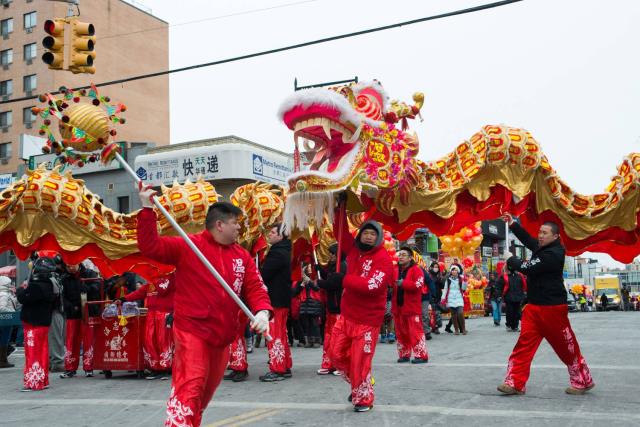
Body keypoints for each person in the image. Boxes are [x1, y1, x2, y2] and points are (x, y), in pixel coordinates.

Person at [137, 185, 272, 427]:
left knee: (203, 396)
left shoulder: (241, 256)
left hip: (222, 338)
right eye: (235, 222)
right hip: (192, 330)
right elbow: (151, 247)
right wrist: (147, 210)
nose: (239, 227)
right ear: (220, 225)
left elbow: (255, 287)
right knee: (191, 386)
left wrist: (262, 311)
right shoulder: (189, 246)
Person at [497, 213, 594, 396]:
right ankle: (514, 382)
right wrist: (513, 224)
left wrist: (510, 259)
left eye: (545, 233)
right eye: (540, 232)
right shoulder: (542, 248)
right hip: (533, 308)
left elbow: (527, 268)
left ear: (556, 236)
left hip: (553, 309)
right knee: (523, 346)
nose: (540, 236)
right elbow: (528, 240)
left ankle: (583, 380)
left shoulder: (554, 254)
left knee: (566, 347)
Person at [328, 219, 394, 413]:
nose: (368, 236)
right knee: (335, 354)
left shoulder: (383, 259)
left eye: (373, 234)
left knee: (360, 361)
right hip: (347, 315)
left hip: (367, 320)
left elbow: (372, 286)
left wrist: (344, 280)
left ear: (379, 238)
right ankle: (360, 383)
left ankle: (363, 397)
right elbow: (341, 233)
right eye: (365, 232)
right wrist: (339, 208)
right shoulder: (355, 250)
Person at [121, 273, 176, 380]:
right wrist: (123, 299)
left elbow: (163, 290)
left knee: (163, 341)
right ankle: (155, 368)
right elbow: (139, 293)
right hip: (151, 314)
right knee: (149, 340)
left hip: (164, 314)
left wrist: (156, 280)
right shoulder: (151, 282)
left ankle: (165, 368)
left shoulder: (172, 278)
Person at [16, 256, 57, 391]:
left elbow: (22, 297)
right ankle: (43, 379)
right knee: (42, 351)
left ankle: (34, 382)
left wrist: (21, 288)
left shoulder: (36, 286)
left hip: (33, 323)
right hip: (43, 322)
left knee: (33, 352)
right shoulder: (49, 284)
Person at [258, 223, 293, 382]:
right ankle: (284, 366)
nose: (269, 235)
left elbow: (264, 275)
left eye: (273, 232)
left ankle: (277, 369)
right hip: (281, 300)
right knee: (281, 334)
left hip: (275, 300)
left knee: (274, 334)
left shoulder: (277, 253)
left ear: (281, 235)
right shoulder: (283, 251)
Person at [59, 263, 100, 379]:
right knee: (71, 341)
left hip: (88, 312)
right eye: (67, 266)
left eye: (72, 265)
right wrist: (70, 306)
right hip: (72, 312)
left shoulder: (90, 274)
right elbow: (62, 296)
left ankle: (89, 367)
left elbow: (98, 287)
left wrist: (88, 288)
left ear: (78, 262)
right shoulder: (64, 278)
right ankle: (70, 368)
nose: (70, 267)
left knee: (88, 340)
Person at [393, 247, 429, 364]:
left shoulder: (417, 270)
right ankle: (404, 354)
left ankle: (421, 355)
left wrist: (403, 283)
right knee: (401, 333)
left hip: (412, 308)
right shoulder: (395, 269)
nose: (401, 257)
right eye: (400, 255)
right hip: (398, 308)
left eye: (404, 255)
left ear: (410, 258)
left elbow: (418, 285)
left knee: (415, 332)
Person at [315, 243, 345, 375]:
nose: (331, 256)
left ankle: (341, 365)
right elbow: (328, 275)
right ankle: (328, 364)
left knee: (338, 338)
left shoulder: (343, 266)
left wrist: (318, 283)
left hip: (340, 308)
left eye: (333, 253)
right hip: (331, 308)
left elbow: (332, 284)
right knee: (329, 337)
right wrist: (319, 269)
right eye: (330, 253)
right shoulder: (333, 266)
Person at [498, 259, 527, 332]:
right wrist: (499, 295)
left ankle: (515, 326)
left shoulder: (520, 276)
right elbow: (499, 286)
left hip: (518, 297)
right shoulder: (505, 277)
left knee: (517, 312)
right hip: (509, 297)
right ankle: (509, 324)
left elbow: (525, 285)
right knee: (510, 312)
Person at [441, 265, 467, 335]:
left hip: (459, 297)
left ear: (457, 271)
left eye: (455, 270)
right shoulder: (448, 279)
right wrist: (443, 298)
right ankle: (456, 329)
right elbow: (445, 289)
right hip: (450, 298)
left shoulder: (461, 279)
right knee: (453, 315)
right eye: (453, 270)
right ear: (451, 271)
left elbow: (464, 289)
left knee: (460, 313)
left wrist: (465, 282)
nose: (454, 271)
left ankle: (463, 328)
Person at [0, 275, 18, 368]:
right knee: (4, 340)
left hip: (6, 320)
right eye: (9, 283)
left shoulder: (6, 293)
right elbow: (1, 308)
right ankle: (2, 360)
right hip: (6, 320)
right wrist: (12, 313)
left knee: (5, 339)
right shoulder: (4, 294)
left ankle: (3, 360)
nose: (11, 285)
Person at [427, 262, 445, 334]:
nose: (436, 268)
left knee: (437, 312)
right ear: (431, 267)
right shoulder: (429, 275)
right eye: (435, 267)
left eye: (437, 267)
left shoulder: (439, 275)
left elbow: (443, 286)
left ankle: (436, 326)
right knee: (431, 313)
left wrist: (441, 280)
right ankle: (433, 327)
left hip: (438, 296)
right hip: (430, 296)